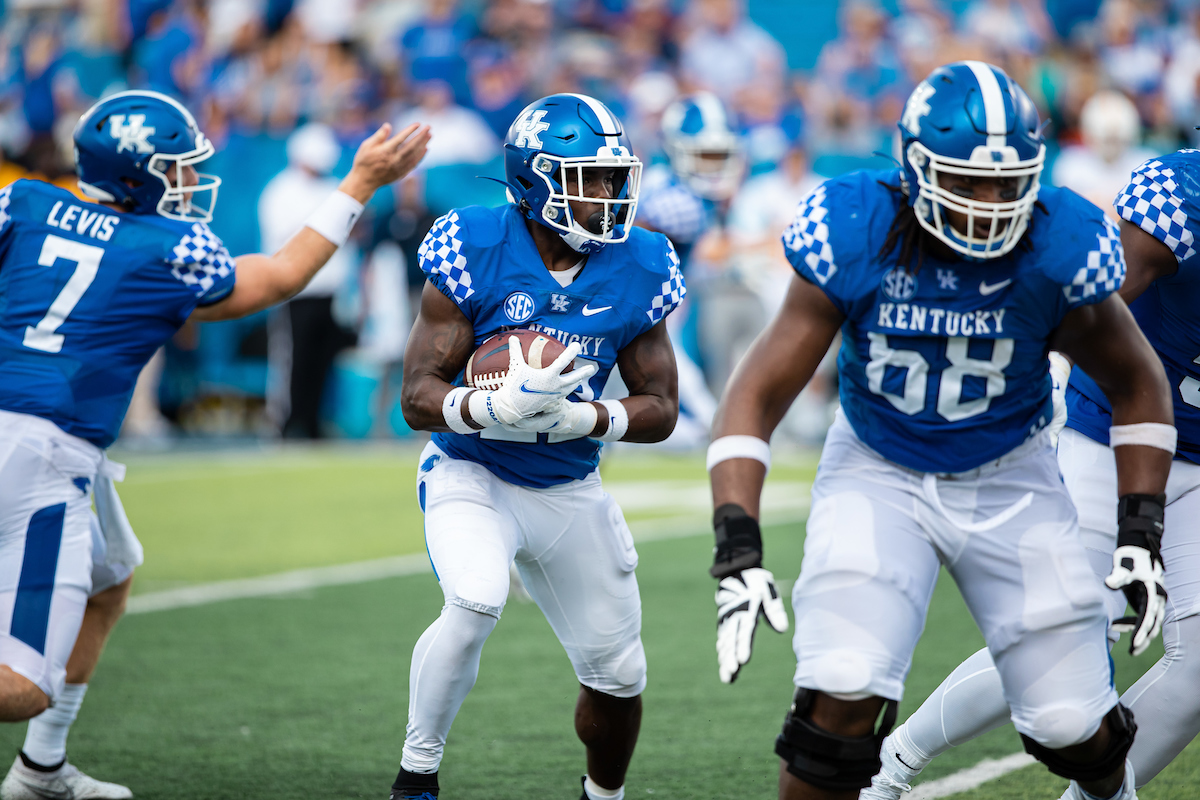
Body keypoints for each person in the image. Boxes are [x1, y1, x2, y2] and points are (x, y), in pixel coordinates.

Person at [704, 62, 1174, 800]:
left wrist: (1140, 534)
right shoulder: (857, 226)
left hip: (1011, 476)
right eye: (967, 181)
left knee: (1072, 725)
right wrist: (737, 544)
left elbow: (1137, 382)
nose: (991, 203)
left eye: (1007, 181)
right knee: (839, 697)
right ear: (915, 169)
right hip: (877, 468)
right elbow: (757, 391)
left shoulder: (1060, 241)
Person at [0, 90, 429, 799]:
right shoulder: (169, 248)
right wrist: (358, 184)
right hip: (49, 451)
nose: (190, 181)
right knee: (22, 686)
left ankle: (40, 770)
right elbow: (284, 275)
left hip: (36, 431)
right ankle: (38, 748)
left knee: (112, 577)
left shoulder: (24, 202)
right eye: (176, 169)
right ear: (137, 176)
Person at [861, 147, 1200, 800]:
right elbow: (1090, 301)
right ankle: (890, 766)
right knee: (1064, 628)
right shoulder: (1181, 195)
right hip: (1114, 437)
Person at [393, 93, 682, 800]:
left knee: (619, 674)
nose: (609, 195)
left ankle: (602, 796)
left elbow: (661, 407)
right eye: (590, 179)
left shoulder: (640, 260)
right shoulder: (475, 242)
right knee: (475, 599)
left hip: (568, 486)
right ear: (535, 181)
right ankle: (415, 776)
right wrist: (489, 406)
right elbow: (416, 395)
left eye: (615, 178)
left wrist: (585, 421)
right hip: (474, 472)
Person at [259, 122, 359, 439]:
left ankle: (314, 422)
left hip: (330, 292)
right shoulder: (280, 191)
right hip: (296, 290)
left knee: (322, 362)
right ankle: (286, 423)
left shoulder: (333, 187)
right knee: (294, 360)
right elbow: (283, 240)